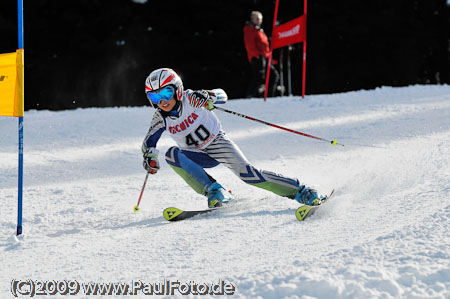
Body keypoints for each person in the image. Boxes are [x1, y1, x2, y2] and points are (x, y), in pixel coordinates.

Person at [141, 68, 323, 208]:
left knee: (250, 175)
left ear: (178, 90)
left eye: (166, 93)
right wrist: (150, 158)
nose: (162, 101)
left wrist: (207, 96)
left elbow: (222, 95)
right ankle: (216, 191)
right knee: (172, 155)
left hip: (217, 143)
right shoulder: (160, 118)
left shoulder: (191, 98)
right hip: (195, 154)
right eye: (155, 96)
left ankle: (301, 192)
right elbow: (149, 142)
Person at [243, 11, 279, 97]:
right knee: (259, 76)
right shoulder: (249, 29)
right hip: (257, 57)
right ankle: (251, 95)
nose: (259, 20)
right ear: (252, 19)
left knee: (273, 75)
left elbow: (265, 46)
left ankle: (269, 96)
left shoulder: (259, 30)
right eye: (256, 19)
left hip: (265, 57)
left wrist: (270, 59)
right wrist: (256, 55)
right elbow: (249, 44)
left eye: (260, 19)